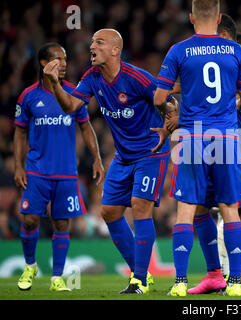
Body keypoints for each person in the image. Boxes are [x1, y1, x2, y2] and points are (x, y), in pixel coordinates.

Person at [43, 29, 177, 294]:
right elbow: (70, 106)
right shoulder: (92, 78)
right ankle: (143, 274)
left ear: (115, 49)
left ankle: (137, 279)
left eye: (99, 42)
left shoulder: (137, 78)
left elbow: (170, 105)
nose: (92, 45)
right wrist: (55, 83)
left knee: (140, 206)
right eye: (92, 42)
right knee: (109, 212)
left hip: (151, 152)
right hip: (124, 155)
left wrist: (167, 128)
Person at [154, 0, 241, 297]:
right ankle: (235, 283)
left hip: (193, 138)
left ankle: (181, 282)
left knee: (186, 210)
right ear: (220, 17)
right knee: (230, 210)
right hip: (226, 139)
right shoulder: (235, 51)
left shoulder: (179, 50)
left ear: (191, 17)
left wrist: (172, 111)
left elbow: (159, 96)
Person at [181, 13, 241, 296]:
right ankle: (215, 275)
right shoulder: (221, 66)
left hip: (239, 147)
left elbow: (239, 103)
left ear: (224, 38)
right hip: (211, 146)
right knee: (198, 208)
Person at [14, 43, 105, 292]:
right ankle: (30, 265)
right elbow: (20, 133)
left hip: (66, 172)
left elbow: (86, 128)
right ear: (44, 64)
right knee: (31, 220)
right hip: (36, 169)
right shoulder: (28, 96)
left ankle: (57, 278)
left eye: (65, 58)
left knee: (61, 223)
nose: (63, 63)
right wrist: (19, 166)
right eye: (57, 59)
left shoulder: (74, 94)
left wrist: (97, 158)